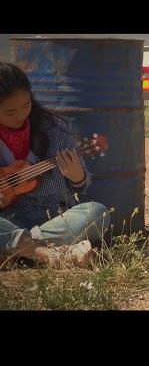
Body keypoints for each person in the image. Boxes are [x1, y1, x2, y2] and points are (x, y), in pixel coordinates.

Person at [0, 62, 110, 268]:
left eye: (26, 105)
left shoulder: (55, 130)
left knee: (97, 212)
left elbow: (81, 185)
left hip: (48, 219)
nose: (21, 115)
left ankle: (18, 252)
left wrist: (77, 176)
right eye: (10, 111)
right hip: (6, 222)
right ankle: (47, 255)